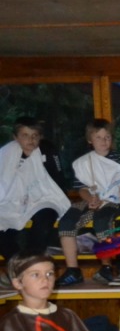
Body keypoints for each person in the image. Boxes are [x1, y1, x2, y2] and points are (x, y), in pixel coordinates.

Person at [56, 119, 120, 287]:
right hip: (91, 199)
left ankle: (106, 267)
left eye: (107, 137)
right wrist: (90, 199)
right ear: (90, 140)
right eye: (99, 137)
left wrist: (105, 199)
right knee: (67, 221)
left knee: (102, 220)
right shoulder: (82, 163)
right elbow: (82, 189)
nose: (104, 141)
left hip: (114, 200)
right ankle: (73, 270)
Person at [0, 118, 70, 280]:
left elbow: (57, 179)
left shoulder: (47, 150)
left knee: (44, 219)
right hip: (12, 200)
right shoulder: (6, 153)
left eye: (35, 135)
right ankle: (20, 267)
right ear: (15, 137)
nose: (30, 140)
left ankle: (31, 263)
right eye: (25, 135)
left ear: (40, 137)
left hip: (44, 197)